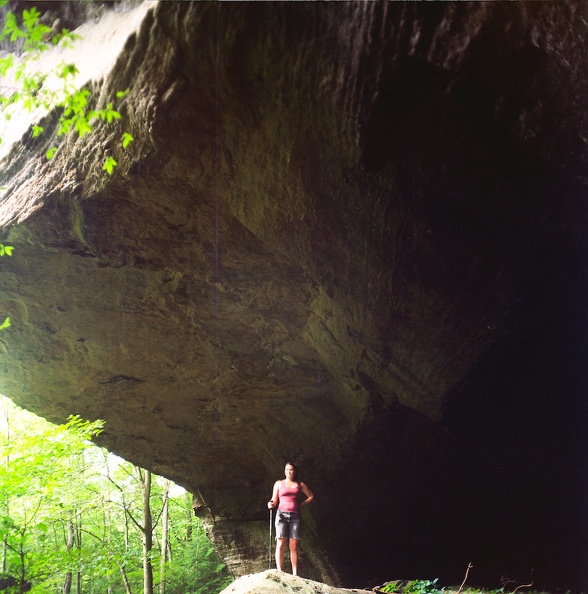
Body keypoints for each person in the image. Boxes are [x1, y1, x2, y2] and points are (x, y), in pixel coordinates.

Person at [267, 461, 314, 576]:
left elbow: (311, 496)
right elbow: (274, 499)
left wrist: (300, 505)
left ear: (294, 471)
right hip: (281, 515)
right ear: (284, 471)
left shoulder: (300, 484)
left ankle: (294, 573)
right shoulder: (279, 484)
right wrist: (271, 504)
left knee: (293, 545)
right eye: (287, 469)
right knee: (281, 543)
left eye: (291, 470)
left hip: (295, 516)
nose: (289, 472)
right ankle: (279, 571)